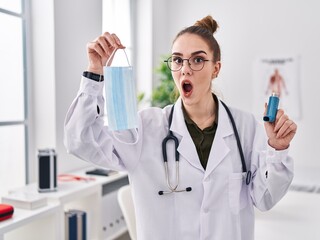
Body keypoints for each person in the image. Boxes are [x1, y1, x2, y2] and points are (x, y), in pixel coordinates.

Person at [64, 15, 297, 240]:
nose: (185, 69)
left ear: (216, 68)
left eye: (197, 60)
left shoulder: (244, 128)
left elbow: (265, 198)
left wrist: (277, 150)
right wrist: (94, 72)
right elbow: (80, 140)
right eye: (177, 60)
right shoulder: (146, 128)